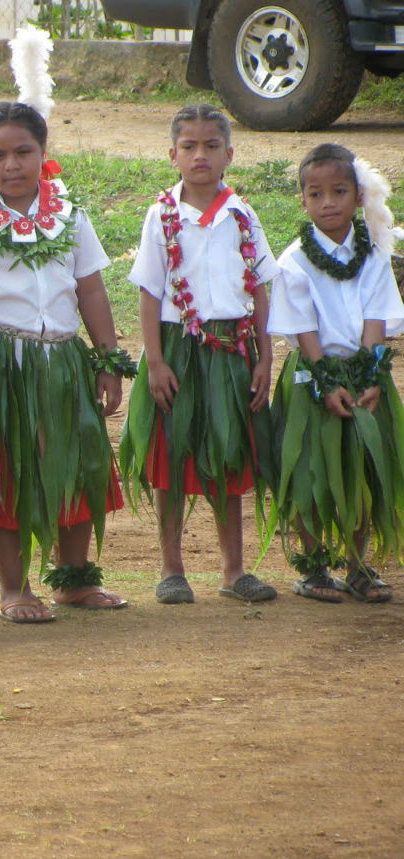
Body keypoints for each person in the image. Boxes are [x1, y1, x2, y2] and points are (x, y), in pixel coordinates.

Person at [0, 100, 131, 624]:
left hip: (64, 362)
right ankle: (14, 589)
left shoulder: (71, 216)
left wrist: (106, 358)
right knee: (4, 470)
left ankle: (73, 580)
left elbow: (91, 288)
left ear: (43, 153)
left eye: (23, 152)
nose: (11, 165)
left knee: (75, 465)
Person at [119, 104, 280, 605]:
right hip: (177, 349)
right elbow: (149, 291)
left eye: (211, 145)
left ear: (229, 153)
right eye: (189, 146)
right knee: (173, 452)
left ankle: (234, 571)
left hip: (232, 350)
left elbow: (258, 290)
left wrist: (264, 357)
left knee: (228, 456)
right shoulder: (161, 214)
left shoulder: (243, 215)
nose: (200, 155)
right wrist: (157, 361)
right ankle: (172, 569)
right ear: (173, 155)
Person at [267, 143, 404, 603]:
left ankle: (359, 564)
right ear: (303, 200)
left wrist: (369, 377)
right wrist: (328, 381)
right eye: (315, 194)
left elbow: (376, 319)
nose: (328, 203)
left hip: (365, 374)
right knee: (312, 469)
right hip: (314, 373)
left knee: (363, 466)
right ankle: (313, 567)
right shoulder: (295, 260)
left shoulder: (374, 253)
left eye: (339, 191)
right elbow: (303, 328)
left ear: (357, 195)